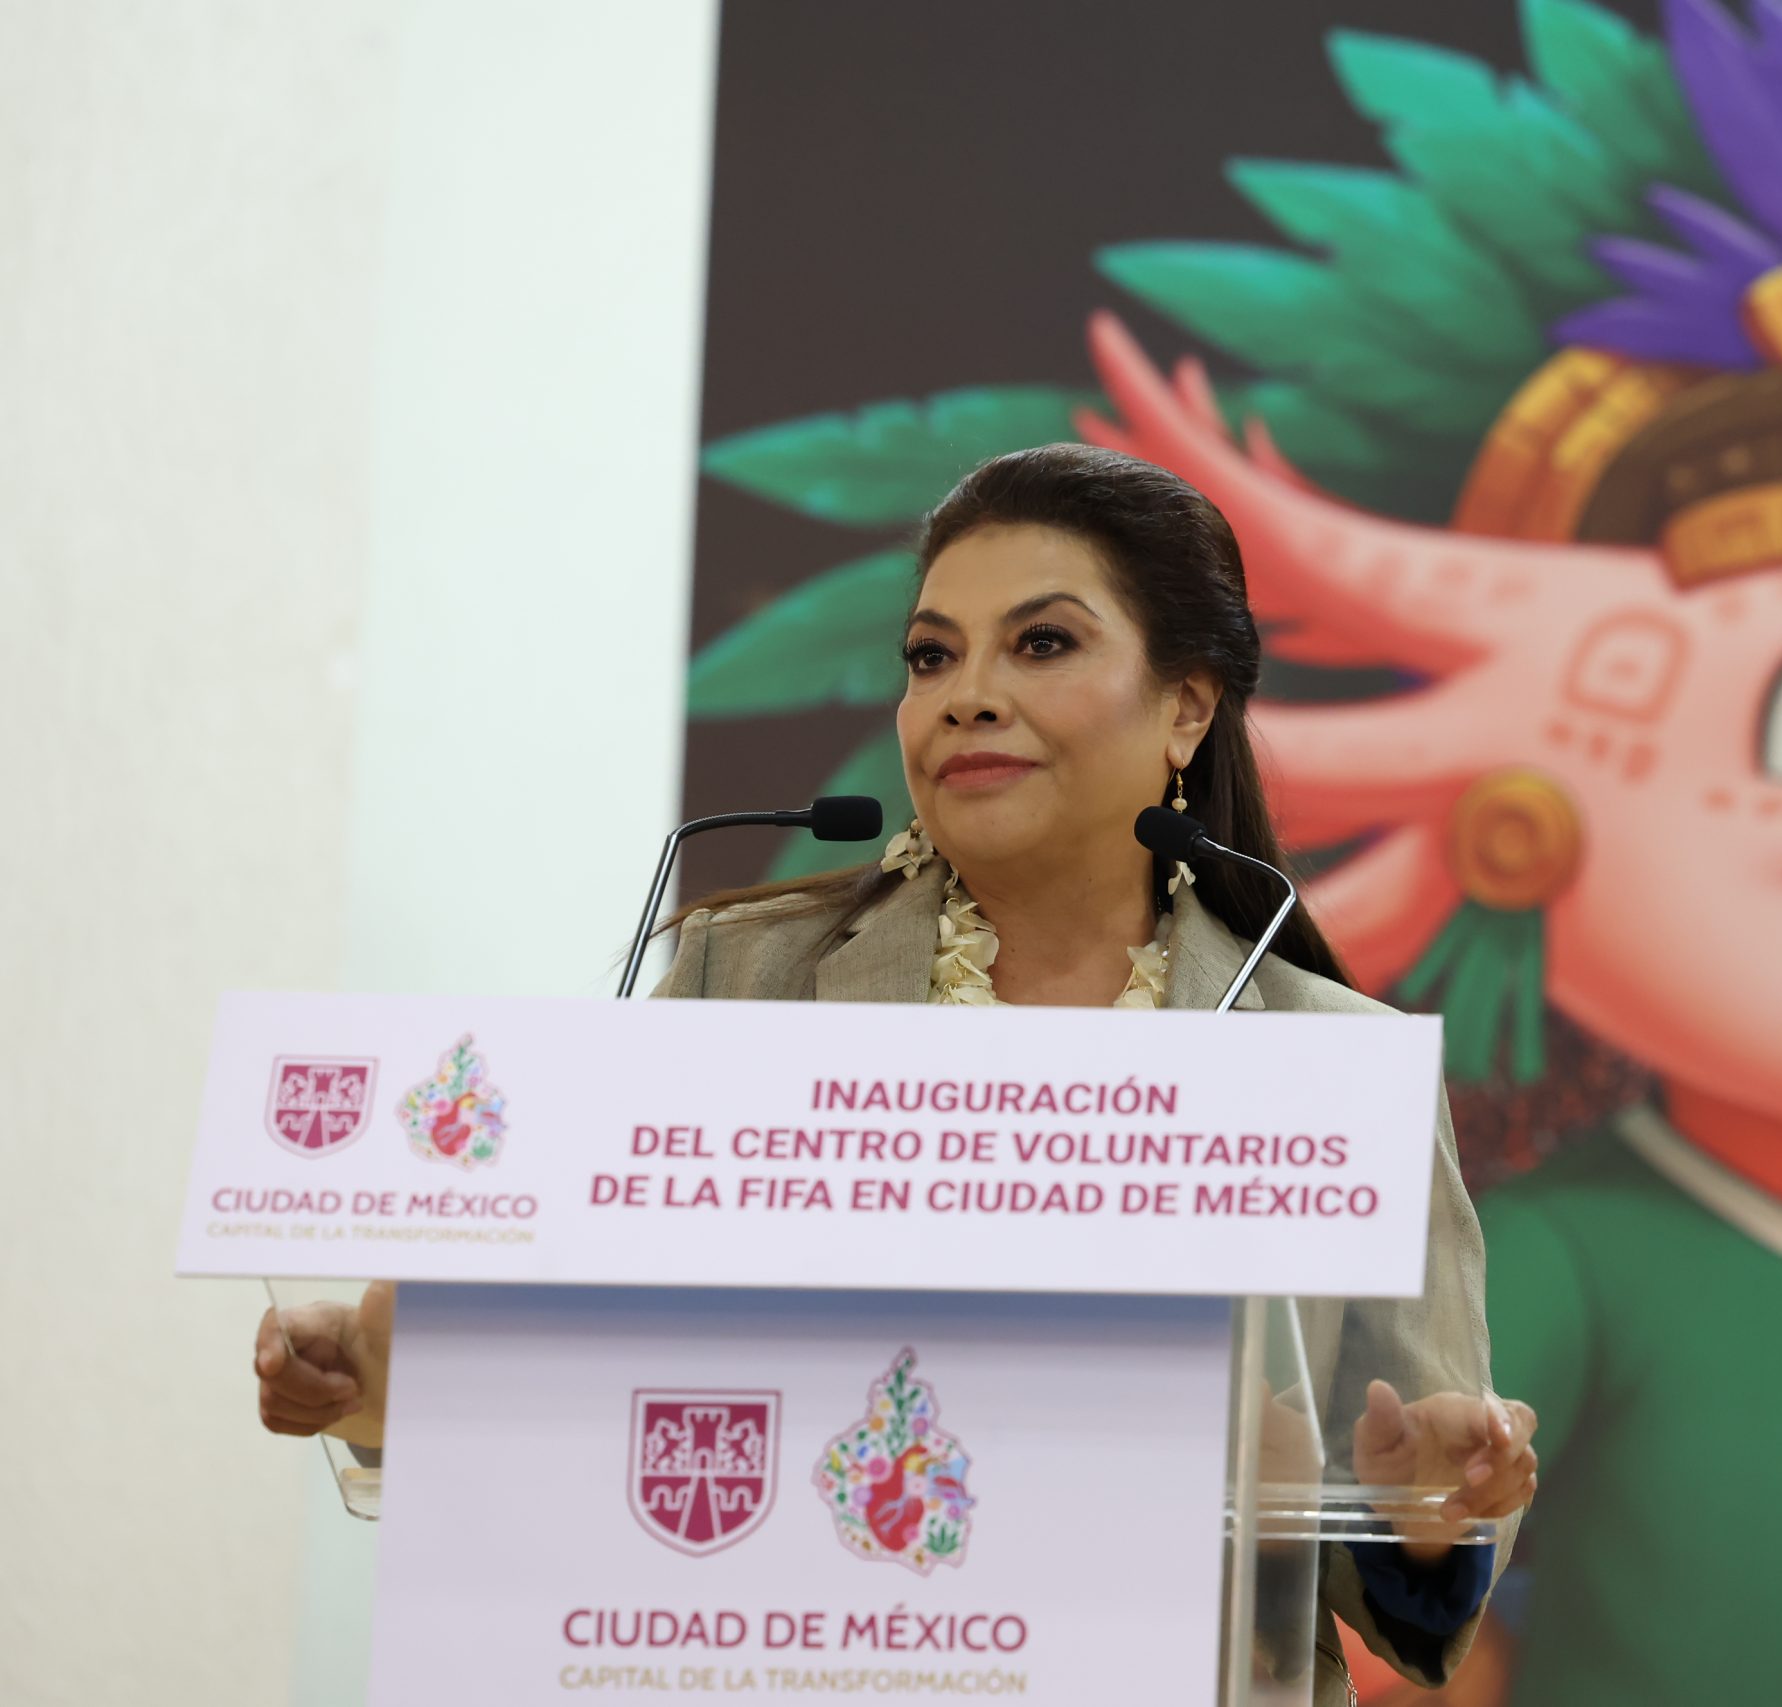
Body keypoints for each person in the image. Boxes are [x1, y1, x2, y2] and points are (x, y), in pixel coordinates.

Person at [251, 442, 1536, 1701]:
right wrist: (385, 1379)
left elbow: (1418, 1617)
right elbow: (594, 1391)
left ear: (1187, 709)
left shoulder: (1332, 1069)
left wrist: (1428, 1510)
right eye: (932, 656)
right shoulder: (743, 980)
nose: (966, 695)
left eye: (1041, 643)